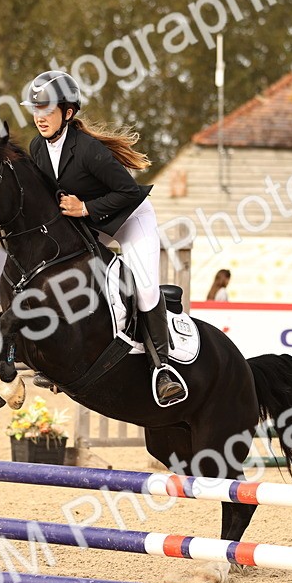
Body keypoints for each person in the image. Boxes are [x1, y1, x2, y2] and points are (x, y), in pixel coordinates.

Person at [20, 70, 186, 407]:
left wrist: (85, 208)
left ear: (67, 113)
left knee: (144, 285)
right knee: (58, 274)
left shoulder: (89, 150)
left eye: (48, 110)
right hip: (91, 220)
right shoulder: (38, 148)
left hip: (129, 217)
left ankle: (163, 369)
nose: (40, 118)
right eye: (36, 111)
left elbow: (128, 192)